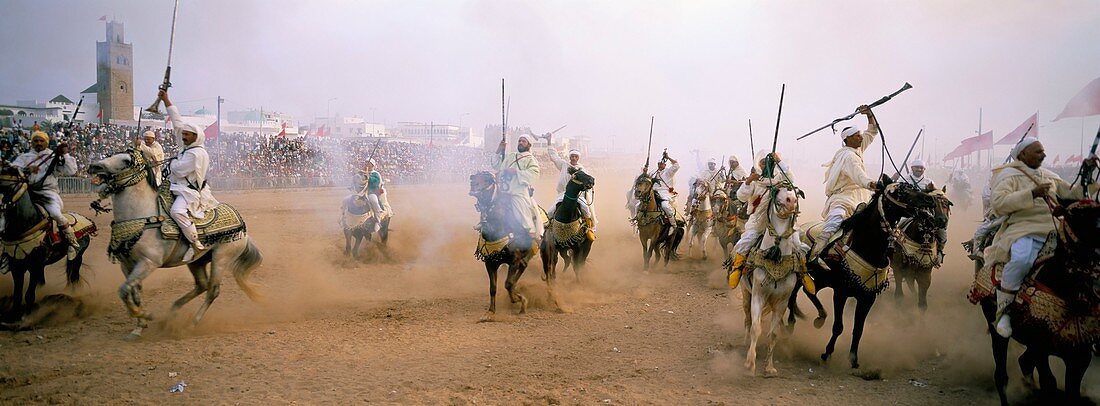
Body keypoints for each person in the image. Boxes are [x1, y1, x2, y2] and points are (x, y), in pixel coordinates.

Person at [983, 137, 1097, 338]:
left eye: (1043, 151)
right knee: (1021, 260)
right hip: (1023, 228)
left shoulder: (1048, 175)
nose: (1043, 155)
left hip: (1055, 230)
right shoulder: (1008, 175)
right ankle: (1004, 312)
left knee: (1087, 261)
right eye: (1038, 151)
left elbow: (1074, 193)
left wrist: (1086, 172)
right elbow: (998, 204)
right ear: (1022, 154)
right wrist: (1032, 193)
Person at [726, 152, 809, 289]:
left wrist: (779, 160)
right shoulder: (754, 181)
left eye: (769, 161)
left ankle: (804, 273)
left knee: (797, 243)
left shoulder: (780, 179)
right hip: (758, 222)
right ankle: (737, 269)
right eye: (763, 162)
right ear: (759, 164)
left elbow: (791, 179)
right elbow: (741, 197)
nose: (766, 164)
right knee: (745, 242)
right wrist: (748, 181)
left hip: (781, 223)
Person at [162, 89, 219, 261]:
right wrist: (166, 100)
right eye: (184, 134)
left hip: (189, 192)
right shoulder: (187, 147)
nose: (184, 136)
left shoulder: (197, 154)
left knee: (176, 211)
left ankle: (195, 245)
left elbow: (179, 170)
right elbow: (177, 122)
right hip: (175, 186)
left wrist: (171, 161)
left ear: (196, 136)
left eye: (187, 135)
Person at [9, 131, 79, 257]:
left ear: (46, 142)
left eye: (41, 141)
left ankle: (71, 243)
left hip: (48, 193)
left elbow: (71, 171)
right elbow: (12, 170)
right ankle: (6, 252)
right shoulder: (24, 158)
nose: (39, 143)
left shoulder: (54, 156)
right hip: (26, 192)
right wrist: (25, 169)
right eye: (36, 141)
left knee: (56, 214)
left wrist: (65, 154)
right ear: (32, 142)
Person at [490, 134, 543, 242]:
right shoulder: (511, 156)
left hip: (518, 191)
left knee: (521, 211)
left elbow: (534, 173)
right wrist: (499, 150)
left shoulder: (531, 159)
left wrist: (516, 172)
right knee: (490, 204)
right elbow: (496, 165)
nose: (520, 143)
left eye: (523, 141)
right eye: (519, 141)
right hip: (503, 190)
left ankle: (531, 231)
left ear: (529, 144)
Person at [893, 159, 946, 261]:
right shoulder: (904, 180)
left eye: (921, 168)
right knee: (895, 230)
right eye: (917, 167)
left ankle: (939, 252)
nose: (919, 169)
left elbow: (937, 195)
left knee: (941, 232)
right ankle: (893, 251)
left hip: (926, 213)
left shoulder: (929, 182)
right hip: (907, 212)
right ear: (912, 168)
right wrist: (894, 179)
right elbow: (894, 190)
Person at [547, 144, 596, 232]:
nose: (573, 158)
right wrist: (549, 143)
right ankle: (548, 230)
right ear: (570, 157)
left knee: (586, 210)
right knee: (550, 212)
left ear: (578, 158)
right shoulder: (563, 165)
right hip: (563, 195)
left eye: (575, 156)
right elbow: (554, 157)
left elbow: (588, 183)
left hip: (578, 197)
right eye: (572, 156)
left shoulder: (582, 170)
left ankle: (589, 229)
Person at [642, 150, 680, 225]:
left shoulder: (668, 172)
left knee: (665, 206)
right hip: (652, 193)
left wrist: (668, 157)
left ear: (665, 165)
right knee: (639, 205)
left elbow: (677, 166)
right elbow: (645, 180)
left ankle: (673, 224)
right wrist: (645, 172)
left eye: (662, 164)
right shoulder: (653, 172)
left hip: (664, 193)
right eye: (659, 164)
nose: (660, 165)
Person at [356, 158, 389, 232]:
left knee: (373, 200)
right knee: (348, 199)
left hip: (371, 192)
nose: (366, 165)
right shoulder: (361, 172)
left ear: (372, 165)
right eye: (366, 163)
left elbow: (375, 183)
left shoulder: (375, 174)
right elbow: (356, 181)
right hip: (360, 192)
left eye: (368, 163)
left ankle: (378, 219)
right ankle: (345, 218)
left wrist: (368, 177)